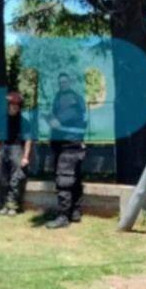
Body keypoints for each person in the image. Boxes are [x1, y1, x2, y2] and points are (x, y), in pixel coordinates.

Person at [45, 72, 88, 229]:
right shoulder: (64, 97)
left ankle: (63, 216)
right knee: (74, 178)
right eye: (60, 82)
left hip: (69, 145)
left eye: (64, 81)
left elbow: (61, 120)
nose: (62, 84)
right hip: (68, 144)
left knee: (64, 180)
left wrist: (53, 120)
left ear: (70, 82)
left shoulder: (71, 99)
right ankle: (75, 212)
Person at [0, 90, 32, 215]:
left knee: (16, 178)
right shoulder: (0, 120)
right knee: (1, 178)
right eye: (12, 104)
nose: (15, 107)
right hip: (3, 149)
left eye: (17, 105)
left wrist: (25, 157)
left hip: (17, 149)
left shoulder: (24, 122)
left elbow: (28, 140)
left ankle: (13, 206)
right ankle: (4, 204)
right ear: (8, 105)